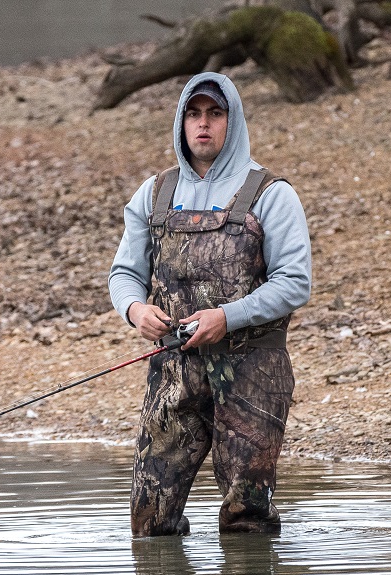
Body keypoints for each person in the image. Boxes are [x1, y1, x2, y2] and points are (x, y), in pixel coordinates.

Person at [108, 72, 311, 536]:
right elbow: (124, 274)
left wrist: (227, 317)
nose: (203, 124)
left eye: (215, 113)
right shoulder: (154, 193)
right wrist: (136, 310)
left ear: (232, 121)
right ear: (181, 123)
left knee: (245, 520)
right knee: (148, 522)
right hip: (174, 372)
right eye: (194, 114)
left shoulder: (272, 194)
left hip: (253, 375)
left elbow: (295, 283)